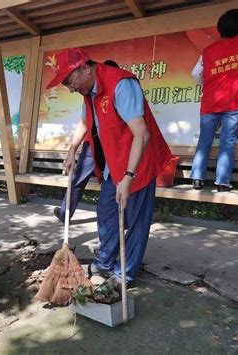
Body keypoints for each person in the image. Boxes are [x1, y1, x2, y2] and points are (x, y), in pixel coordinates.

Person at [47, 47, 171, 285]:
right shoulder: (89, 92)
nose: (71, 88)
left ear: (84, 67)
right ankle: (105, 261)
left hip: (138, 163)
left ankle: (125, 272)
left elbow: (142, 134)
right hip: (113, 164)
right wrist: (72, 150)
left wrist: (128, 176)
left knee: (136, 220)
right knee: (106, 212)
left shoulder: (121, 84)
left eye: (70, 81)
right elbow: (85, 122)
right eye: (66, 85)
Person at [190, 9, 238, 192]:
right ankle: (222, 183)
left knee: (205, 141)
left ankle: (197, 179)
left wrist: (207, 85)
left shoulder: (208, 50)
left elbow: (195, 74)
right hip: (234, 102)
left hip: (210, 102)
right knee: (228, 141)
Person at [54, 60, 120, 223]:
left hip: (116, 146)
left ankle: (122, 219)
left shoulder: (119, 89)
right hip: (93, 144)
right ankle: (65, 212)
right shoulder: (90, 96)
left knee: (117, 183)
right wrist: (71, 152)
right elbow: (84, 123)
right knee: (78, 178)